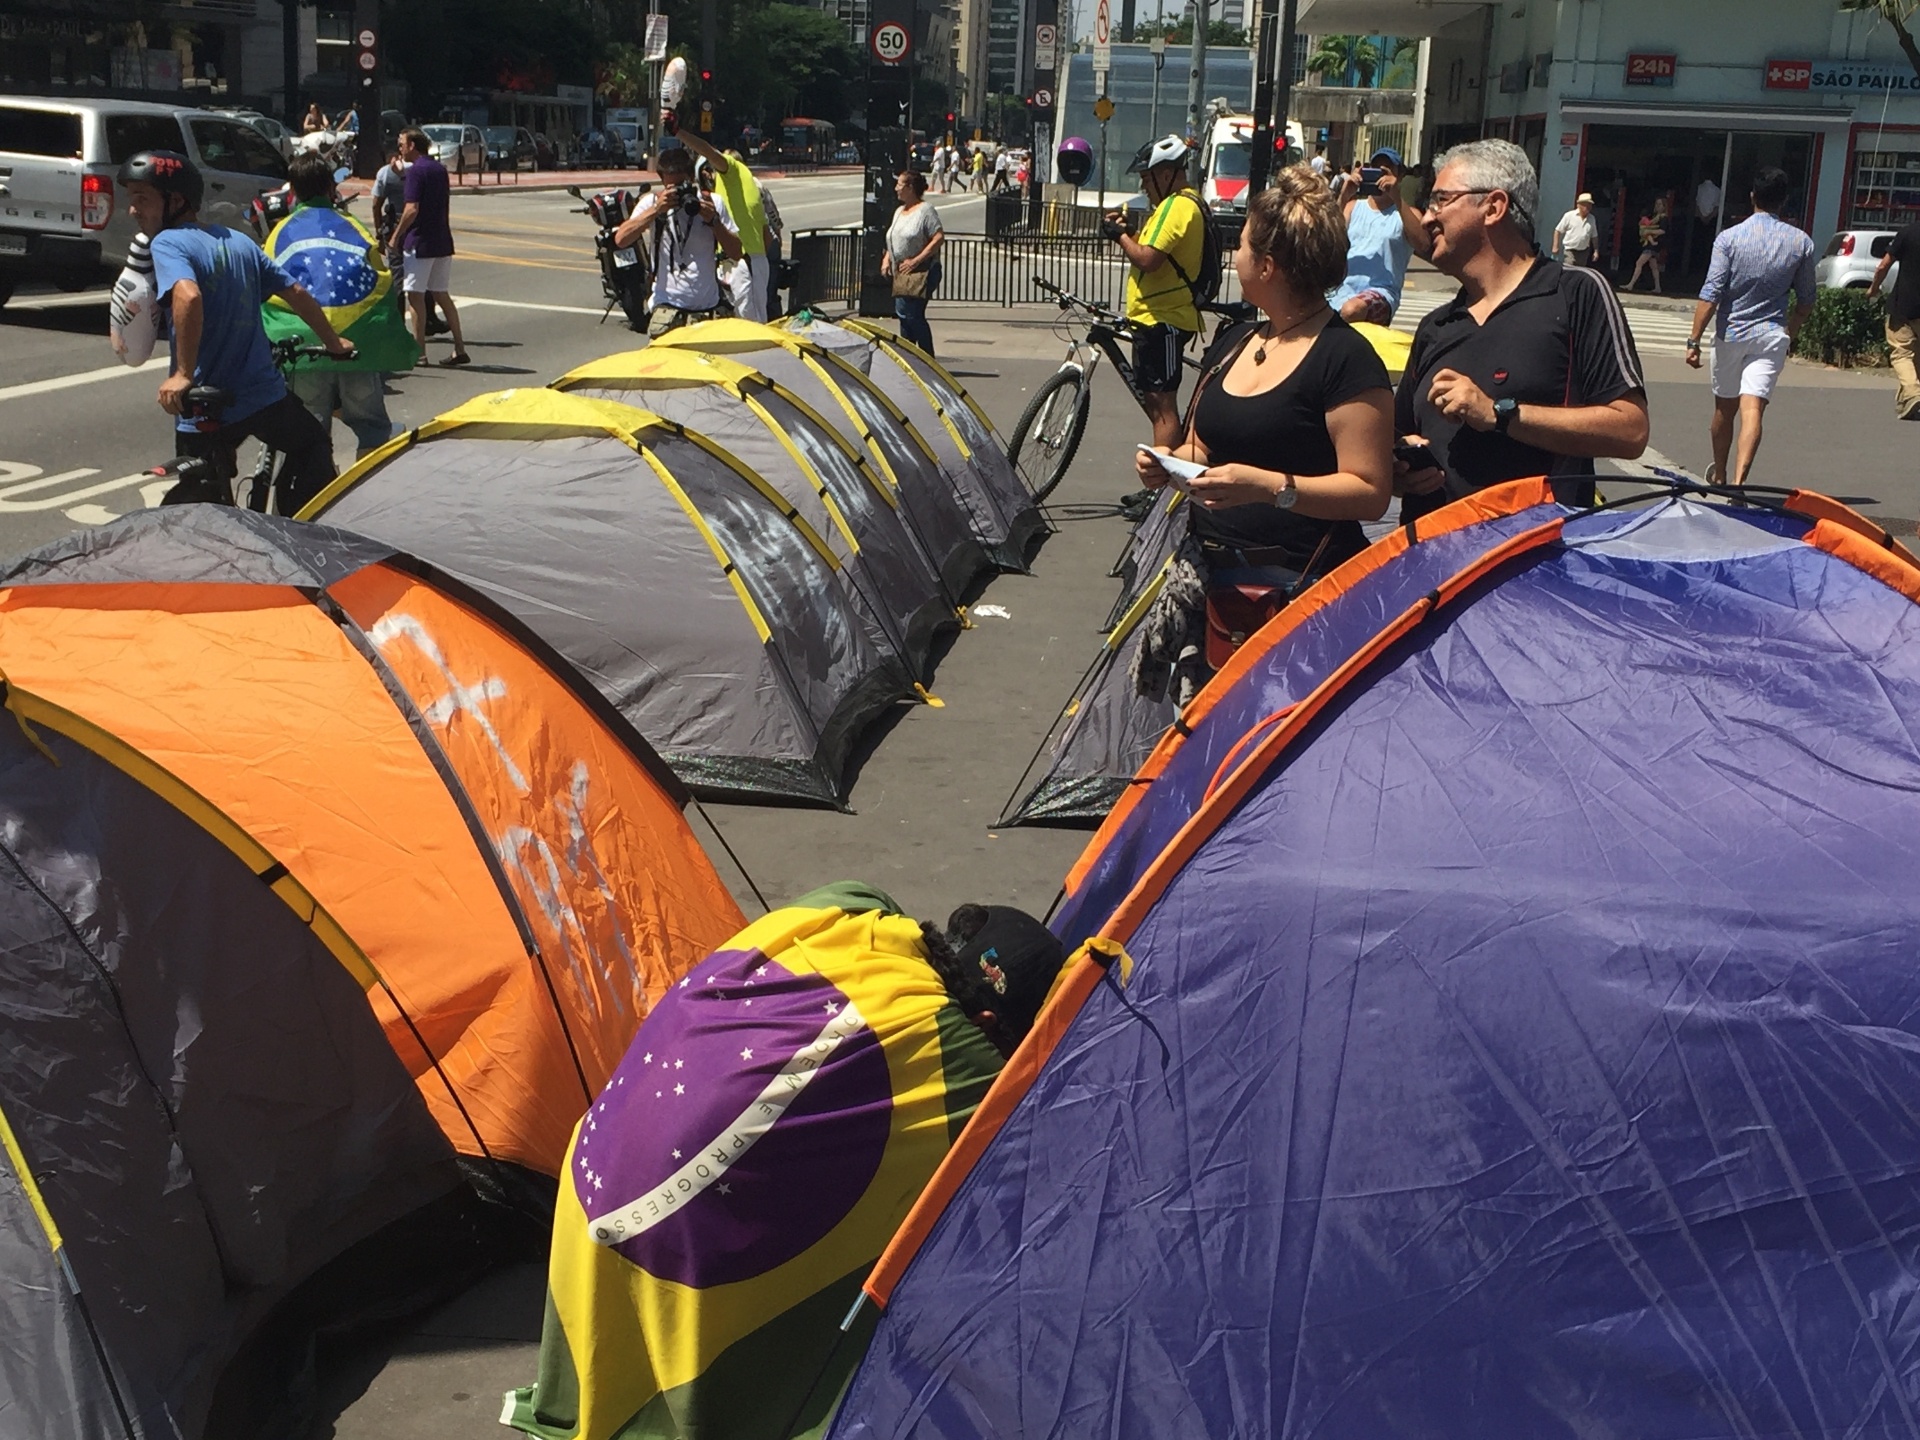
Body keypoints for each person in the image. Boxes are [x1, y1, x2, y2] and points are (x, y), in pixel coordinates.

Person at [503, 882, 1065, 1440]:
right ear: (992, 1026)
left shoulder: (847, 916)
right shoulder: (965, 1068)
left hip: (590, 1180)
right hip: (677, 1247)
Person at [1132, 166, 1394, 698]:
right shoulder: (1235, 340)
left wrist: (1268, 486)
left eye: (1243, 246)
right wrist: (1171, 460)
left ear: (1268, 267)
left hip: (1302, 596)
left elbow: (1370, 491)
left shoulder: (1345, 358)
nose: (1235, 256)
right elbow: (1205, 445)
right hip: (1212, 590)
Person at [1395, 139, 1649, 520]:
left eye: (1441, 200)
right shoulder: (1436, 326)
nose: (1428, 218)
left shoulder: (1575, 293)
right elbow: (1395, 439)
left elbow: (1630, 430)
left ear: (1494, 207)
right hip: (1431, 564)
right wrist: (1399, 469)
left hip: (1533, 560)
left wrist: (1499, 414)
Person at [120, 150, 353, 510]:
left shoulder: (166, 242)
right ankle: (295, 531)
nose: (133, 209)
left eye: (142, 198)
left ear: (176, 201)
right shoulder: (239, 241)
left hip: (203, 405)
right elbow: (297, 292)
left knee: (204, 501)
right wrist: (333, 342)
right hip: (261, 397)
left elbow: (188, 295)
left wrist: (183, 374)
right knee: (311, 444)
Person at [271, 151, 408, 460]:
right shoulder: (351, 226)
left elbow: (269, 285)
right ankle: (365, 493)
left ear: (292, 190)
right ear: (330, 188)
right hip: (353, 345)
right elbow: (381, 278)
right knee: (372, 426)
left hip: (306, 346)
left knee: (310, 431)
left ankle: (310, 495)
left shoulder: (283, 230)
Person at [1684, 167, 1816, 486]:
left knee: (1724, 409)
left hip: (1731, 333)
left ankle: (1720, 473)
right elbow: (1807, 298)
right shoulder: (1800, 242)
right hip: (1771, 334)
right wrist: (1791, 330)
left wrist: (1694, 340)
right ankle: (1741, 483)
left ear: (1752, 196)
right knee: (1753, 408)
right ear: (1783, 201)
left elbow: (1711, 292)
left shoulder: (1729, 239)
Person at [1106, 134, 1206, 449]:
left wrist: (1118, 237)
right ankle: (1163, 482)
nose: (1143, 187)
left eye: (1146, 179)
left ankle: (1165, 488)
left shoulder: (1176, 206)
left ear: (1166, 175)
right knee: (1156, 401)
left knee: (1163, 408)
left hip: (1163, 319)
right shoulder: (1176, 205)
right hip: (1155, 318)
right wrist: (1128, 232)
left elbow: (1147, 260)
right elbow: (1156, 250)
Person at [612, 142, 740, 337]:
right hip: (666, 308)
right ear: (662, 182)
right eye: (671, 187)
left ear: (692, 178)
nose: (679, 194)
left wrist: (714, 222)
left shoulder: (712, 202)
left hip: (706, 308)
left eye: (683, 186)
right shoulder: (652, 203)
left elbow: (737, 252)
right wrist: (656, 211)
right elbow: (621, 239)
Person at [388, 127, 470, 365]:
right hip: (442, 240)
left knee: (415, 297)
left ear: (413, 145)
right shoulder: (438, 169)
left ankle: (420, 352)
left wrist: (395, 236)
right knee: (441, 294)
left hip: (419, 243)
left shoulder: (416, 172)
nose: (400, 148)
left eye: (402, 143)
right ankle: (459, 347)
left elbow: (412, 208)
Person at [677, 128, 772, 322]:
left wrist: (679, 132)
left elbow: (709, 152)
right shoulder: (747, 187)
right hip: (743, 261)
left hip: (743, 263)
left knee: (749, 325)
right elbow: (767, 235)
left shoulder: (732, 171)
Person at [1329, 145, 1430, 324]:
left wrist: (1397, 198)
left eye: (1386, 171)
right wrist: (1344, 196)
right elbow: (1329, 240)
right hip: (1341, 289)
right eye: (1375, 169)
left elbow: (1423, 244)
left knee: (1352, 310)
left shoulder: (1408, 213)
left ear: (1398, 176)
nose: (1380, 177)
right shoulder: (1352, 207)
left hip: (1381, 292)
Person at [880, 169, 944, 355]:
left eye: (899, 184)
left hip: (921, 272)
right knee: (904, 316)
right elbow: (892, 238)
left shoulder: (925, 210)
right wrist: (887, 259)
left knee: (912, 314)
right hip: (901, 272)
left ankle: (925, 357)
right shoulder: (899, 211)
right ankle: (909, 356)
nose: (896, 188)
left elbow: (938, 237)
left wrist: (916, 260)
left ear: (910, 187)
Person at [1867, 213, 1920, 421]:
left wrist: (1873, 288)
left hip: (1905, 306)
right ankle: (1906, 401)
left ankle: (1913, 394)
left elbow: (1883, 265)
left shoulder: (1907, 233)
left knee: (1902, 353)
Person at [1625, 196, 1669, 294]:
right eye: (1656, 204)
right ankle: (1657, 287)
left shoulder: (1663, 218)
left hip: (1653, 244)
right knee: (1654, 266)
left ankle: (1631, 284)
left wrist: (1649, 231)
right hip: (1652, 243)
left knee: (1639, 263)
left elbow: (1662, 230)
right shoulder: (1655, 217)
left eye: (1660, 204)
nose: (1657, 206)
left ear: (1664, 206)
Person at [1552, 191, 1599, 268]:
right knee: (1569, 270)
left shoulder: (1592, 219)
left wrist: (1596, 251)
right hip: (1570, 251)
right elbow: (1558, 231)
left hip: (1584, 252)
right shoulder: (1569, 216)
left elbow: (1594, 236)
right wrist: (1555, 246)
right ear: (1579, 205)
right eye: (1586, 205)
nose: (1588, 207)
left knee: (1580, 271)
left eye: (1590, 205)